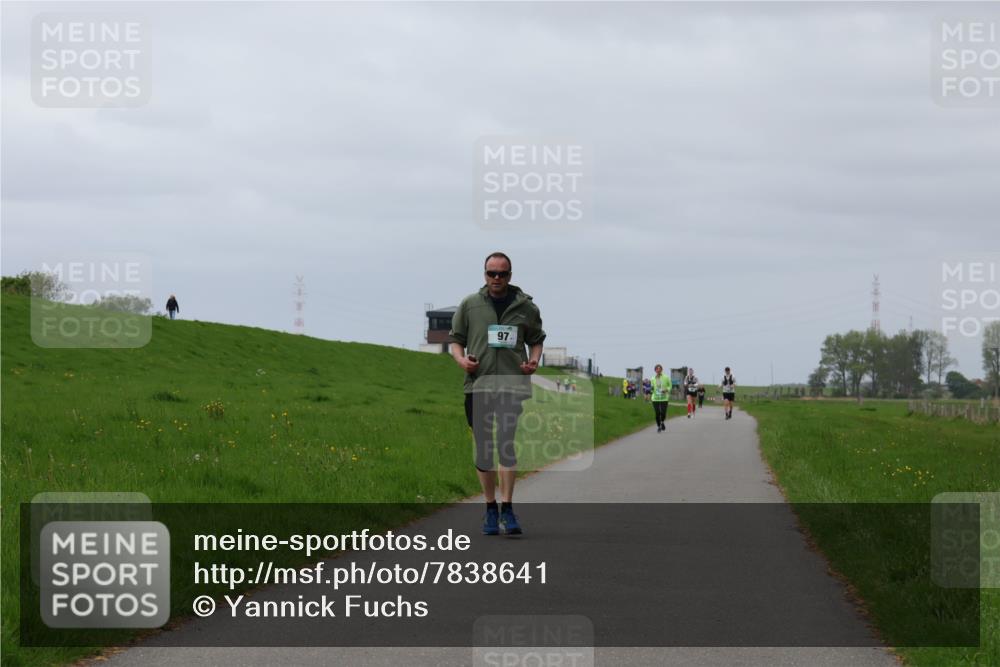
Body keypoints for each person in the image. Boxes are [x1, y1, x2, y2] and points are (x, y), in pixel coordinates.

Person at [449, 252, 545, 536]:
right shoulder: (470, 305)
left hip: (511, 385)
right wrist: (461, 360)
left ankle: (508, 507)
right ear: (484, 274)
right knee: (484, 448)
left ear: (510, 275)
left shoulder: (526, 307)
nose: (497, 279)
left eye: (502, 274)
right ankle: (490, 507)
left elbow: (536, 340)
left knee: (505, 444)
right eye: (491, 273)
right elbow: (456, 340)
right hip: (478, 386)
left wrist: (534, 361)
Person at [651, 364, 671, 432]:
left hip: (664, 398)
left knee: (663, 413)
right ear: (655, 370)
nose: (658, 370)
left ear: (661, 370)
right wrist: (651, 390)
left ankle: (662, 422)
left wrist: (666, 390)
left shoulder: (666, 377)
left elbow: (670, 386)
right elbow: (652, 387)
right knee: (657, 413)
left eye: (660, 369)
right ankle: (659, 426)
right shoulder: (653, 378)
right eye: (657, 369)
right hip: (655, 398)